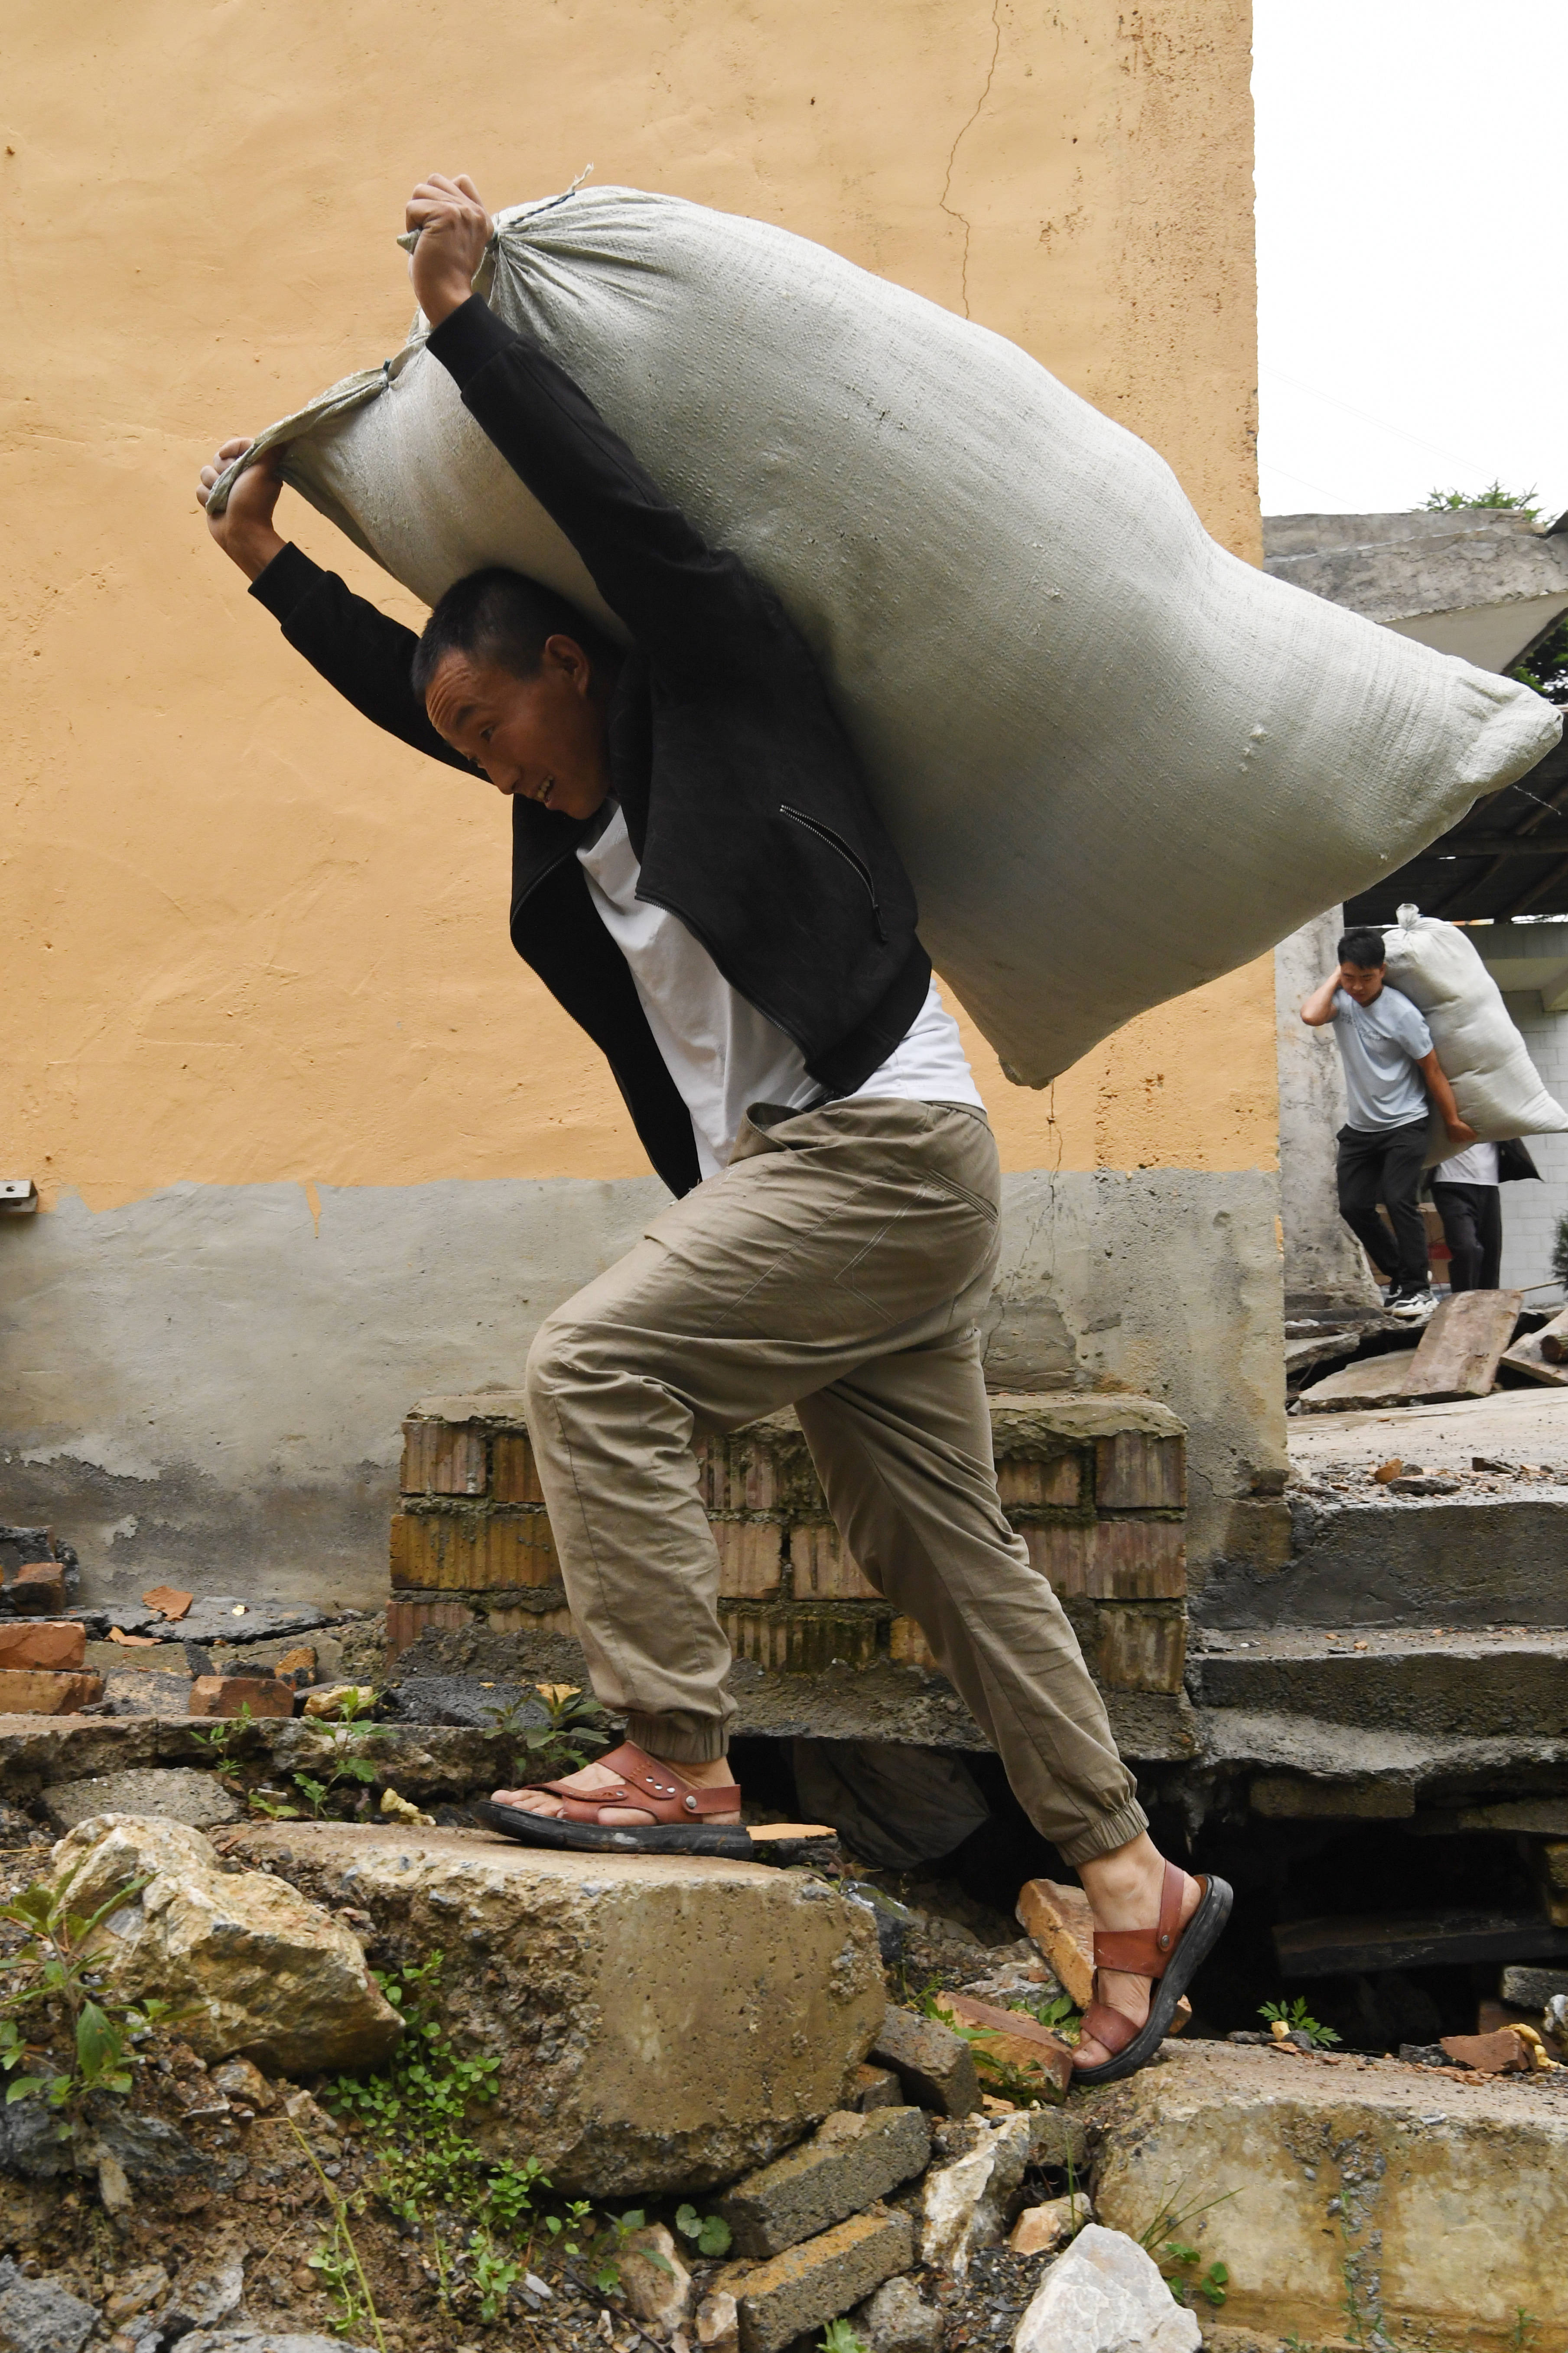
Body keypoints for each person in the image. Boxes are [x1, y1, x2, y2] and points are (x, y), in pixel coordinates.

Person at [197, 171, 1230, 2083]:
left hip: (880, 1143)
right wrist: (272, 571)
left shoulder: (720, 691)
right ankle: (1130, 1875)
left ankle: (671, 1752)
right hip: (824, 1179)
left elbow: (630, 522)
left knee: (592, 1363)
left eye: (502, 725)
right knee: (942, 1546)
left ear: (572, 666)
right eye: (472, 745)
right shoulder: (546, 802)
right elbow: (399, 688)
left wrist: (469, 328)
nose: (489, 760)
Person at [1301, 925, 1477, 1320]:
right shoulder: (1343, 1002)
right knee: (1354, 1206)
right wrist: (1337, 978)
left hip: (1405, 1123)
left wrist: (1451, 1120)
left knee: (1399, 1200)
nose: (1358, 987)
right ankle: (1402, 1277)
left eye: (1366, 977)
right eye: (1350, 977)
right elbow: (1311, 1015)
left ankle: (1419, 1290)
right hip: (1361, 1129)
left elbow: (1431, 1070)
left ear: (1382, 970)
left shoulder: (1402, 1013)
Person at [1430, 1141, 1503, 1292]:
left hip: (1489, 1184)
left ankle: (1488, 1309)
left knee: (1491, 1254)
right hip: (1450, 1182)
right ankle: (1463, 1303)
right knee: (1467, 1249)